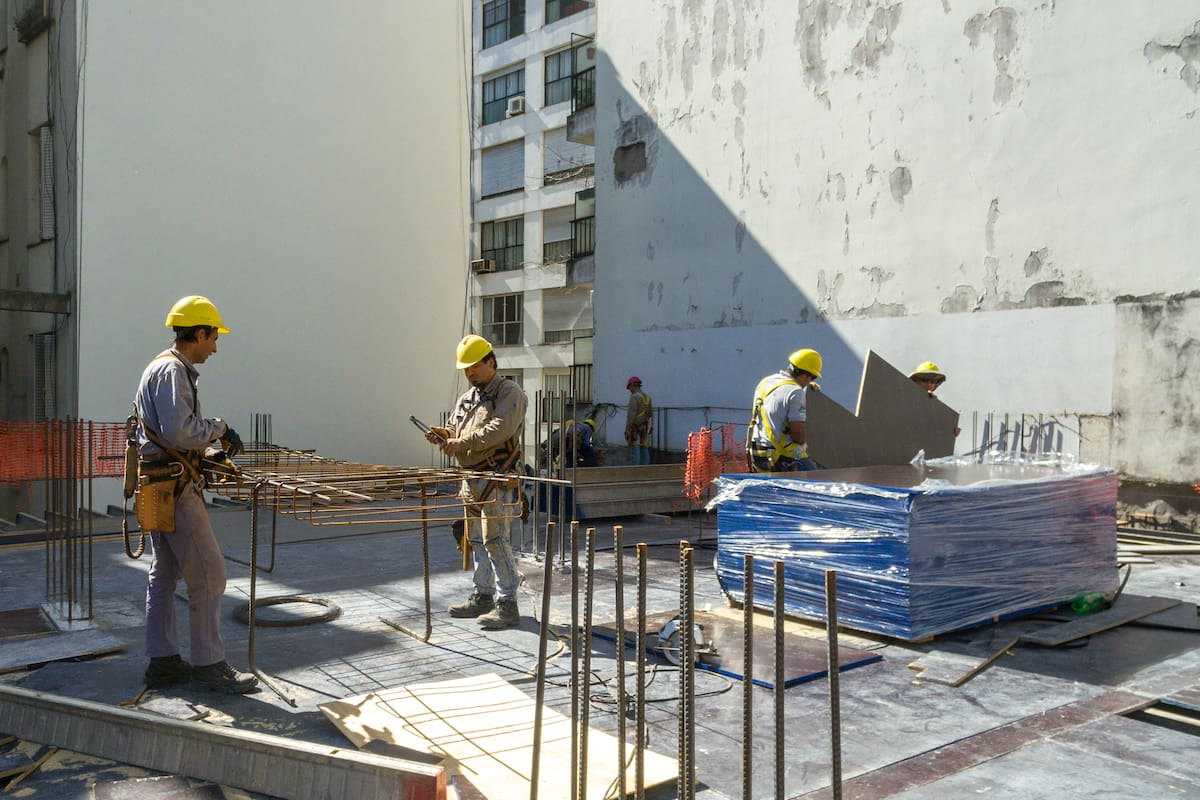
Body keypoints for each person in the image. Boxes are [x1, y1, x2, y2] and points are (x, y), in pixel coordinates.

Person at [135, 296, 257, 694]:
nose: (216, 347)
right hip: (175, 489)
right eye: (213, 339)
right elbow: (179, 430)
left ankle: (164, 663)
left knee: (164, 575)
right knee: (209, 575)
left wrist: (209, 453)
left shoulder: (160, 367)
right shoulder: (173, 371)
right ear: (199, 333)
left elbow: (174, 434)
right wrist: (219, 428)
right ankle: (209, 666)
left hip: (158, 486)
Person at [426, 334, 528, 630]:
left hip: (497, 478)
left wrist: (459, 443)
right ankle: (483, 595)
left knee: (496, 540)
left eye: (475, 367)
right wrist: (444, 434)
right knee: (474, 540)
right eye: (466, 369)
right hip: (472, 480)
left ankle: (507, 604)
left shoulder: (509, 392)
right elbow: (454, 427)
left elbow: (499, 428)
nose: (470, 373)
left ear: (491, 362)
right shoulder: (468, 397)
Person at [745, 348, 823, 473]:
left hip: (757, 452)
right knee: (819, 481)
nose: (809, 382)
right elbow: (797, 431)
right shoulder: (796, 392)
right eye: (811, 379)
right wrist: (803, 444)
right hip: (779, 455)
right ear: (804, 375)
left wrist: (807, 386)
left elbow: (780, 397)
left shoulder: (766, 382)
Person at [625, 376, 652, 465]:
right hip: (645, 426)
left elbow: (631, 415)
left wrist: (628, 428)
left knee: (635, 447)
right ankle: (645, 470)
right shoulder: (647, 397)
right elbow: (650, 414)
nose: (629, 390)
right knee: (644, 447)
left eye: (630, 387)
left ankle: (635, 471)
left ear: (633, 385)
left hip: (635, 427)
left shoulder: (634, 397)